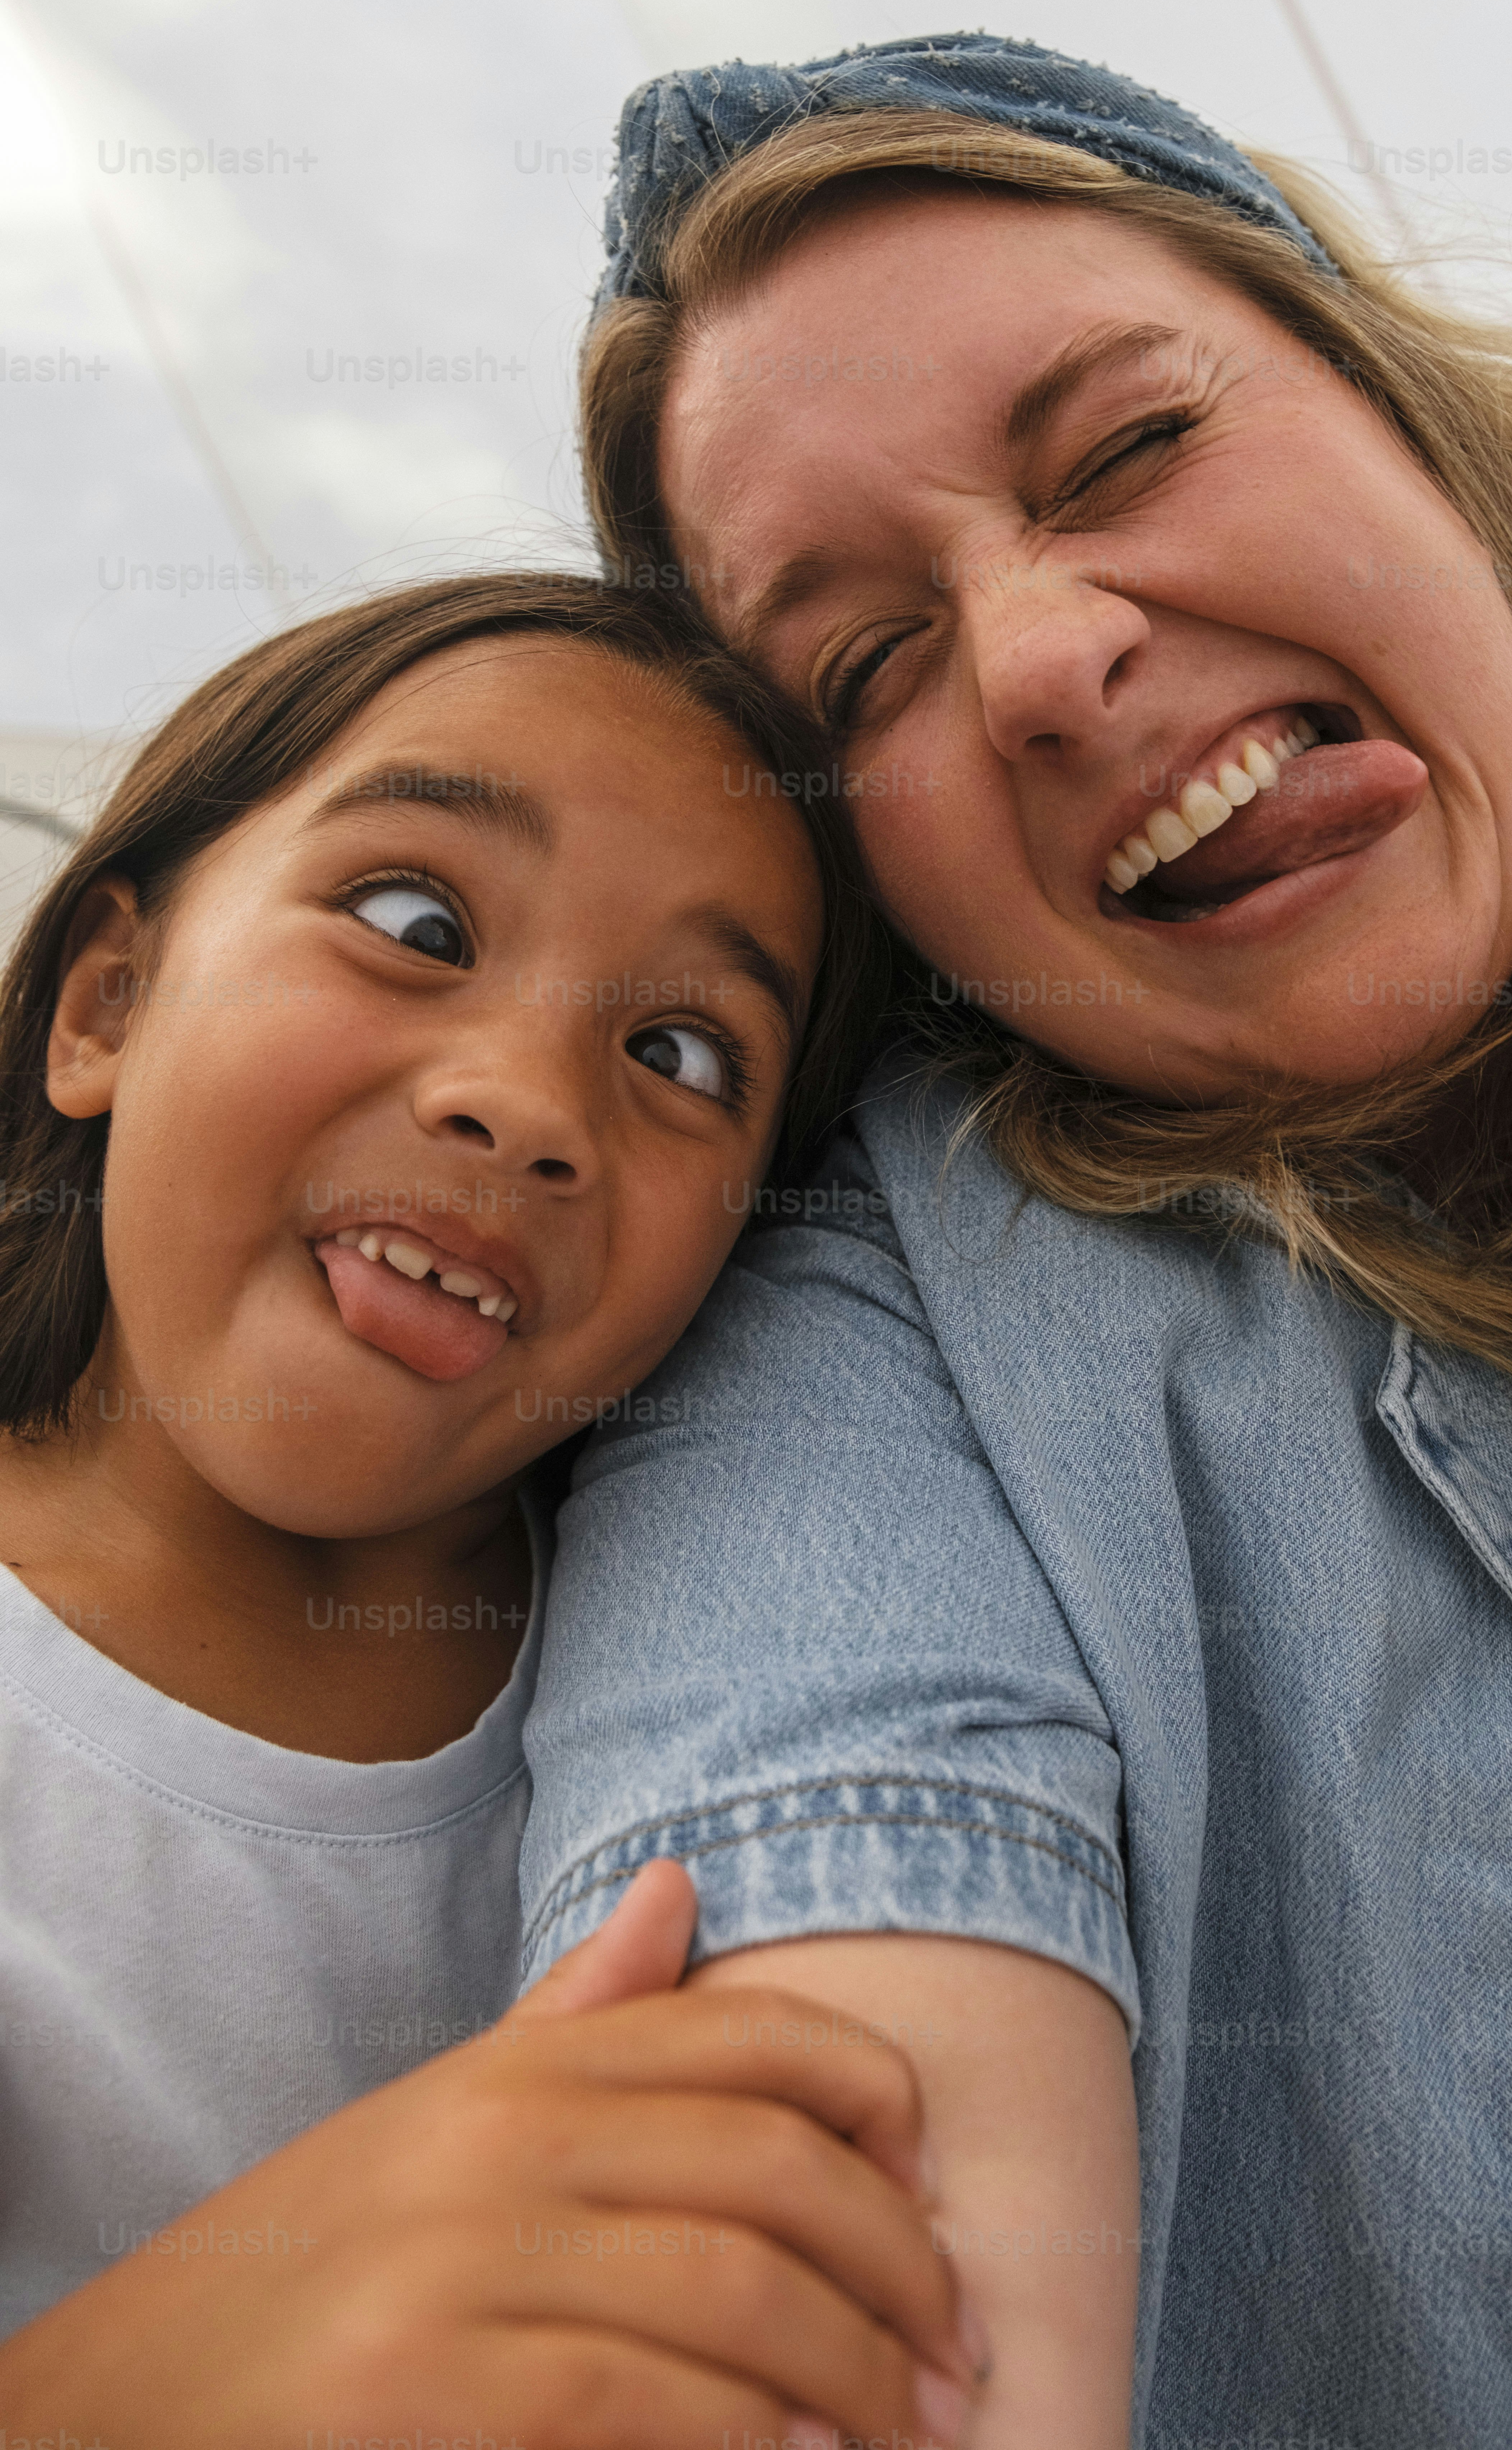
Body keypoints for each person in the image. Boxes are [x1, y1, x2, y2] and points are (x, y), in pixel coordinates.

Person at [524, 34, 1512, 2449]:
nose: (1040, 664)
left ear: (1410, 413)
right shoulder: (862, 1326)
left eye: (1130, 448)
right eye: (867, 667)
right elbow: (827, 2109)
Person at [0, 571, 984, 2446]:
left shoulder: (731, 1704)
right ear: (107, 1000)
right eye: (414, 919)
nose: (526, 1104)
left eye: (683, 1056)